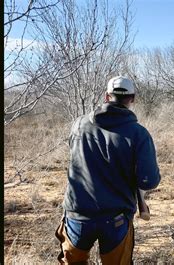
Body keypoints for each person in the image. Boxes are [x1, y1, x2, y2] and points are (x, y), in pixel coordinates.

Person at [55, 76, 161, 264]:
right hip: (116, 219)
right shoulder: (139, 134)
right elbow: (149, 181)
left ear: (106, 96)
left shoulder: (79, 124)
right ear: (132, 98)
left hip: (77, 214)